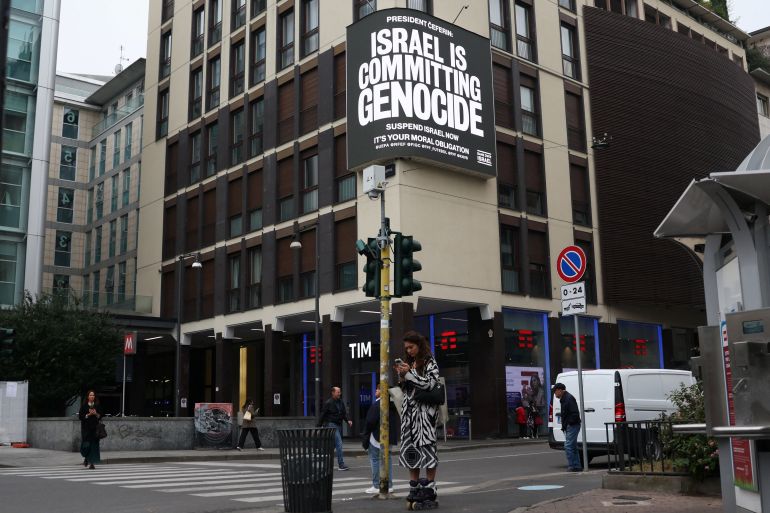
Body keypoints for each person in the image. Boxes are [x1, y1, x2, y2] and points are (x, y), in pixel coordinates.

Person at [395, 330, 440, 508]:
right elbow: (407, 389)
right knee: (411, 450)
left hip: (425, 415)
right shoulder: (410, 363)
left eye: (411, 347)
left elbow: (429, 384)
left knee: (427, 449)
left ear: (419, 345)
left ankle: (429, 488)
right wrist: (402, 376)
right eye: (406, 348)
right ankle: (414, 486)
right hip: (409, 415)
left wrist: (409, 374)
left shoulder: (430, 361)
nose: (409, 350)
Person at [362, 387, 400, 494]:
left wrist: (365, 435)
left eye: (378, 389)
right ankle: (389, 485)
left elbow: (370, 422)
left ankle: (376, 485)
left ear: (382, 392)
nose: (376, 391)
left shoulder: (377, 404)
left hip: (376, 437)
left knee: (375, 459)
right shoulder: (392, 405)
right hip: (389, 438)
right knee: (388, 460)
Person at [318, 386, 352, 470]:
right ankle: (341, 465)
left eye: (340, 392)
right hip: (331, 424)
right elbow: (323, 414)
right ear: (333, 393)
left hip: (338, 425)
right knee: (339, 443)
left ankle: (325, 463)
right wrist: (318, 426)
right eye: (338, 392)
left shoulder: (341, 402)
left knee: (332, 445)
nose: (339, 393)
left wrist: (348, 420)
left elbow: (344, 413)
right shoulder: (328, 403)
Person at [553, 382, 582, 472]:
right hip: (571, 425)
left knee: (568, 446)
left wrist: (569, 423)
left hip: (572, 425)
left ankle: (572, 466)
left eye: (555, 391)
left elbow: (574, 413)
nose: (554, 393)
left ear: (560, 390)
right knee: (572, 446)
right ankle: (576, 466)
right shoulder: (565, 398)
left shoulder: (568, 398)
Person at [78, 390, 103, 470]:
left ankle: (92, 463)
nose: (92, 396)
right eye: (90, 395)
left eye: (93, 395)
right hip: (86, 429)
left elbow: (100, 416)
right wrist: (88, 414)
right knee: (87, 445)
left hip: (95, 429)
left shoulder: (97, 405)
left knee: (94, 446)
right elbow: (80, 417)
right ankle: (86, 458)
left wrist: (95, 413)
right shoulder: (84, 406)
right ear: (88, 397)